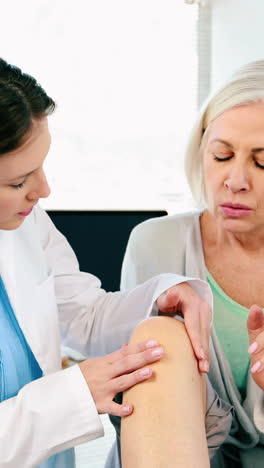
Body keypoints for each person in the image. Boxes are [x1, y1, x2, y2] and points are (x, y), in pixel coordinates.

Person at [0, 58, 214, 468]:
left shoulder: (24, 221)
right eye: (18, 181)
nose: (43, 190)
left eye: (41, 167)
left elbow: (84, 318)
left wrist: (160, 295)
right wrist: (71, 397)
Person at [107, 60, 264, 468]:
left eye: (262, 162)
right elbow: (133, 404)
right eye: (221, 155)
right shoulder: (156, 244)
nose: (235, 180)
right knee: (160, 339)